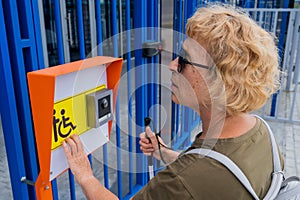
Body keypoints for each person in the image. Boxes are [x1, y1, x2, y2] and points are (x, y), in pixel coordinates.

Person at [63, 4, 283, 199]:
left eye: (184, 60)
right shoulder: (262, 133)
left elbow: (196, 179)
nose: (172, 64)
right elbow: (219, 173)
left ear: (220, 80)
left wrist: (85, 176)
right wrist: (165, 153)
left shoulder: (182, 181)